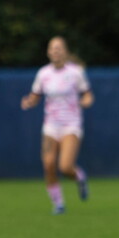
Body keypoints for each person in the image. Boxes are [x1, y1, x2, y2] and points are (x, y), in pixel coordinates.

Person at [21, 36, 93, 215]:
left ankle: (80, 178)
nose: (56, 51)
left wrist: (85, 101)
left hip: (71, 125)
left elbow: (87, 94)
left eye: (59, 48)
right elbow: (35, 96)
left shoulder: (75, 72)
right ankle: (59, 203)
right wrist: (29, 102)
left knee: (65, 167)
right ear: (48, 52)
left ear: (65, 51)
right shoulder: (43, 74)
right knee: (48, 164)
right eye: (52, 48)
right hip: (51, 127)